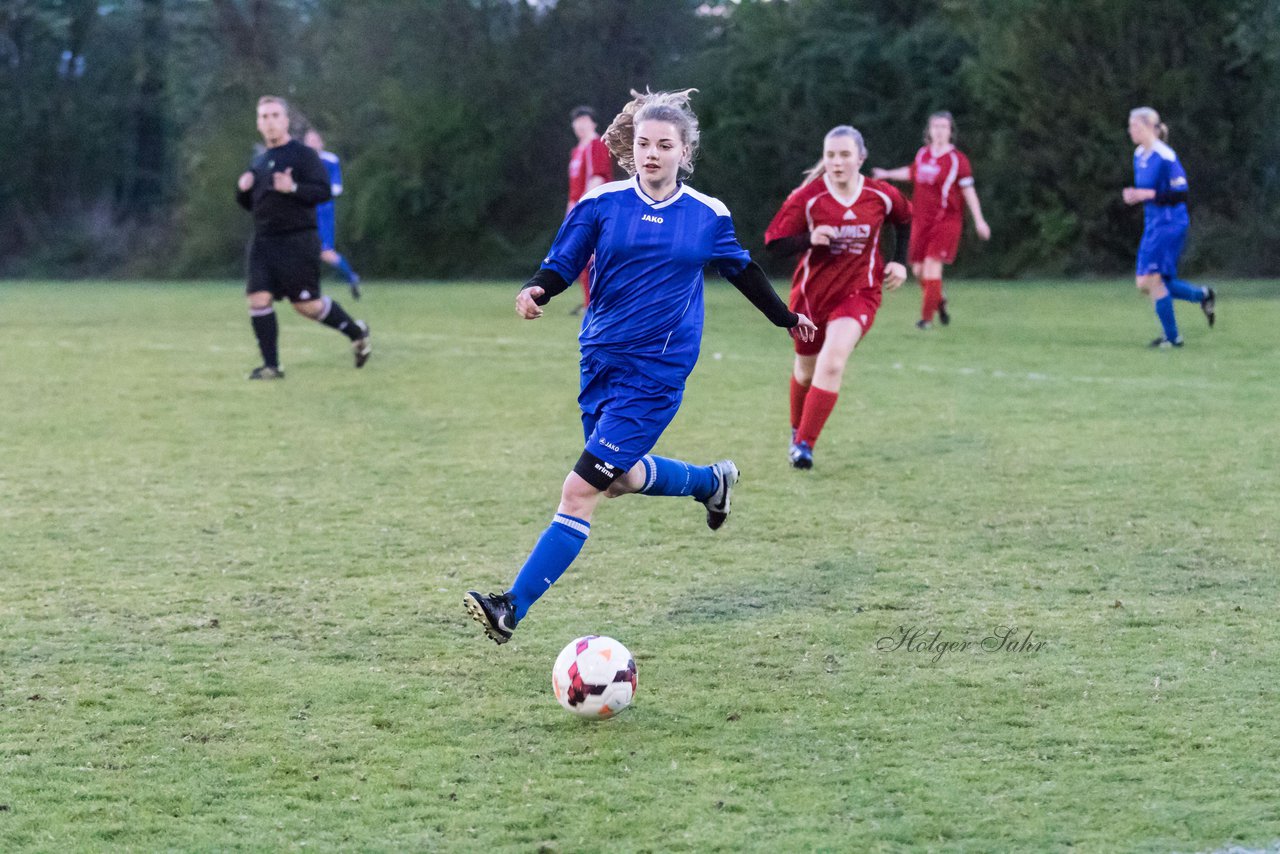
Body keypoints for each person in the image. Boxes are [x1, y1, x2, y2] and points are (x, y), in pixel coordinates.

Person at [464, 89, 816, 645]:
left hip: (656, 374)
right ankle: (710, 482)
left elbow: (742, 270)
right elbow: (565, 259)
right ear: (632, 148)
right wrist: (539, 288)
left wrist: (786, 317)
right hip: (599, 359)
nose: (652, 153)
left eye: (665, 145)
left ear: (685, 152)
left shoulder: (706, 215)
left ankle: (511, 606)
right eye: (644, 144)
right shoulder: (602, 203)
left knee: (578, 492)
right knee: (619, 479)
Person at [766, 126, 912, 470]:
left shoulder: (880, 195)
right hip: (810, 298)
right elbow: (774, 242)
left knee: (832, 362)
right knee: (805, 370)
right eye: (831, 155)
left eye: (845, 155)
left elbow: (905, 218)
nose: (837, 161)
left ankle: (804, 445)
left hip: (860, 293)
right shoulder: (809, 198)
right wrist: (809, 239)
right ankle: (796, 429)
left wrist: (900, 262)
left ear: (860, 158)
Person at [236, 96, 371, 379]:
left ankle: (356, 332)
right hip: (263, 242)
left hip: (297, 240)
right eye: (264, 117)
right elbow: (253, 205)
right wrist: (243, 190)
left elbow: (322, 192)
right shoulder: (259, 162)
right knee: (257, 299)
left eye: (275, 116)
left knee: (307, 306)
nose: (269, 122)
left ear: (286, 121)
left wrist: (293, 187)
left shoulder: (303, 155)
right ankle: (272, 366)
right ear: (258, 124)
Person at [872, 111, 990, 329]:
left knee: (931, 268)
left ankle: (926, 319)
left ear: (950, 131)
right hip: (920, 220)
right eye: (935, 126)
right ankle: (939, 300)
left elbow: (969, 191)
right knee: (917, 271)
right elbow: (911, 173)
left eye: (944, 127)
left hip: (946, 221)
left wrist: (979, 220)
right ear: (929, 130)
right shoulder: (923, 154)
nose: (939, 131)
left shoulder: (957, 160)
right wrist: (887, 173)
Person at [1122, 106, 1216, 347]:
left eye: (1136, 126)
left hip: (1170, 223)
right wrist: (1137, 195)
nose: (1131, 130)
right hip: (1154, 223)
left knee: (1150, 281)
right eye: (1130, 126)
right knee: (1147, 282)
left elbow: (1180, 193)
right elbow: (1149, 194)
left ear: (1150, 128)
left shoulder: (1165, 156)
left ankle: (1173, 338)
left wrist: (1145, 193)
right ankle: (1202, 295)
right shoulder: (1138, 155)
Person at [566, 105, 615, 314]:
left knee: (593, 257)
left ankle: (598, 303)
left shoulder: (596, 145)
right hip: (580, 208)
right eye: (577, 121)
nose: (580, 125)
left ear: (593, 123)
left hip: (595, 209)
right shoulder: (577, 150)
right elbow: (574, 187)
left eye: (584, 120)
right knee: (581, 257)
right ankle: (590, 303)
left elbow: (598, 177)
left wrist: (583, 206)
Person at [304, 128, 363, 300]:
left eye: (315, 140)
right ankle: (305, 288)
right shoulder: (301, 161)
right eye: (309, 140)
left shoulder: (330, 160)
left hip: (323, 212)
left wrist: (319, 192)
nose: (312, 143)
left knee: (325, 252)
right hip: (304, 211)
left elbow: (337, 187)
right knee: (301, 248)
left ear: (321, 142)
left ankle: (351, 277)